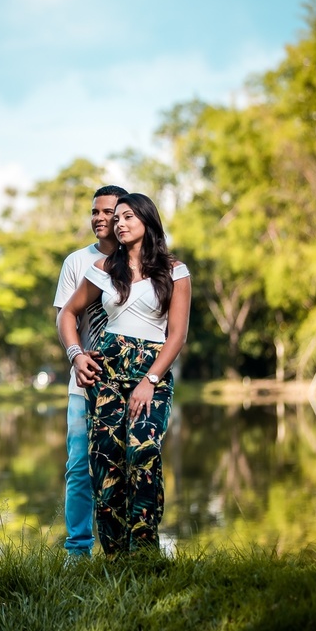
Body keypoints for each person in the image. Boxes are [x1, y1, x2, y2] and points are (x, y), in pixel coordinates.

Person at [57, 192, 190, 555]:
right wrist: (76, 354)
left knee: (143, 452)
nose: (119, 223)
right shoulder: (103, 269)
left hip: (150, 370)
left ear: (147, 220)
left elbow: (176, 335)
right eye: (117, 218)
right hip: (108, 371)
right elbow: (67, 314)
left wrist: (150, 381)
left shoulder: (174, 270)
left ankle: (144, 552)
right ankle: (115, 558)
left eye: (128, 216)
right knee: (105, 460)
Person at [52, 185, 127, 557]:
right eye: (94, 211)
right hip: (84, 385)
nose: (99, 218)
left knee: (131, 466)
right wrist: (76, 356)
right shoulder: (77, 262)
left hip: (130, 384)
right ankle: (77, 552)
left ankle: (129, 549)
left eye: (107, 211)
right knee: (80, 468)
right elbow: (65, 317)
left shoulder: (143, 262)